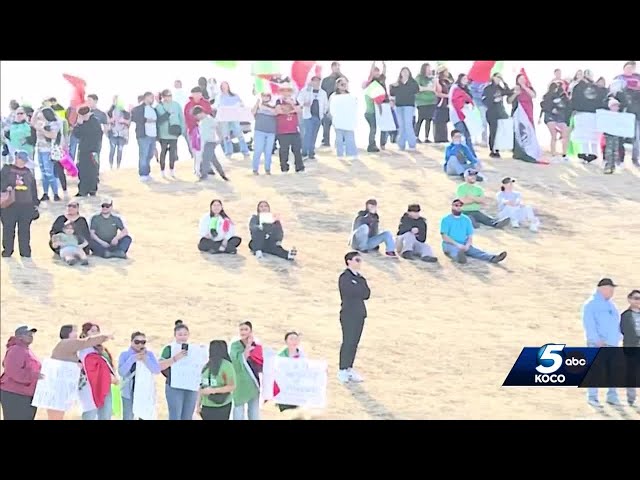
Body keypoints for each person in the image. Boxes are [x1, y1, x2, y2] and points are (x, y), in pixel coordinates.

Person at [48, 324, 112, 420]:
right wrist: (105, 337)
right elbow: (86, 342)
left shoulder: (66, 344)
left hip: (61, 384)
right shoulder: (68, 343)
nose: (76, 334)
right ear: (68, 333)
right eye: (74, 331)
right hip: (61, 385)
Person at [582, 278, 622, 407]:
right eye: (611, 289)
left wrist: (618, 337)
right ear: (603, 288)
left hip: (612, 344)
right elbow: (589, 324)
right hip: (597, 344)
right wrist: (596, 339)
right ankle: (592, 397)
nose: (612, 292)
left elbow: (617, 323)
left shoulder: (611, 305)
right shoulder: (591, 304)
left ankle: (612, 396)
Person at [440, 198, 507, 264]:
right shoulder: (446, 219)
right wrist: (458, 245)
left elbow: (470, 235)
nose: (458, 207)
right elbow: (444, 237)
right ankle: (459, 258)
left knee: (476, 252)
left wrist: (467, 245)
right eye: (456, 205)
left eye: (460, 206)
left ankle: (493, 258)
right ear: (452, 206)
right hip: (450, 244)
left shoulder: (466, 219)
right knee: (454, 251)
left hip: (464, 244)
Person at [338, 251, 370, 383]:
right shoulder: (344, 277)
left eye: (360, 260)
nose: (359, 263)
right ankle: (342, 369)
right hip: (348, 313)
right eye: (357, 260)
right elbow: (349, 292)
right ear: (349, 261)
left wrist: (358, 288)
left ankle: (349, 368)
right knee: (348, 341)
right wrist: (358, 289)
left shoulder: (361, 278)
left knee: (355, 343)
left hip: (360, 313)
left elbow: (366, 294)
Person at [1, 150, 40, 260]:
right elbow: (1, 183)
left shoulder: (28, 172)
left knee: (24, 230)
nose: (23, 163)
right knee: (8, 229)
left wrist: (35, 203)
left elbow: (33, 189)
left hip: (26, 206)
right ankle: (7, 250)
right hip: (9, 205)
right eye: (21, 160)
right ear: (17, 158)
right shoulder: (6, 169)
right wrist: (9, 186)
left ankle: (25, 251)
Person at [117, 331, 162, 420]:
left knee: (144, 416)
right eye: (137, 342)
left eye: (143, 342)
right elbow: (122, 372)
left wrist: (145, 359)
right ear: (131, 341)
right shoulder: (125, 354)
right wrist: (132, 359)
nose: (140, 344)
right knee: (128, 416)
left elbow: (156, 370)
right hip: (128, 391)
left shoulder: (149, 354)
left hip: (144, 392)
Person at [0, 325, 41, 420]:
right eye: (27, 333)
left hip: (24, 394)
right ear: (19, 336)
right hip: (15, 394)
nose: (31, 336)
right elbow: (13, 372)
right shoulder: (16, 349)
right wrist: (34, 376)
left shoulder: (25, 349)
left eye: (32, 334)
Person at [78, 323, 117, 421]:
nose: (96, 333)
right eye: (92, 331)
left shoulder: (103, 350)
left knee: (105, 415)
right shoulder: (84, 349)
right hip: (90, 386)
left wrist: (113, 376)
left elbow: (108, 366)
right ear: (85, 334)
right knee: (90, 414)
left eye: (97, 331)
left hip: (105, 385)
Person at [159, 320, 196, 420]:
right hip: (174, 386)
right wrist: (175, 358)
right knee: (175, 415)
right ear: (175, 335)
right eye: (180, 334)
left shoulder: (194, 349)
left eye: (185, 334)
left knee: (188, 416)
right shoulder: (169, 348)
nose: (183, 337)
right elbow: (160, 366)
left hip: (190, 386)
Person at [230, 321, 262, 420]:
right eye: (241, 329)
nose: (243, 332)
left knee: (254, 410)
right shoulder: (235, 345)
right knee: (238, 408)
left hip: (253, 381)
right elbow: (237, 360)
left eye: (246, 329)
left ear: (251, 331)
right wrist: (247, 346)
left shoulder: (257, 345)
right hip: (240, 381)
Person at [197, 340, 236, 420]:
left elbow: (231, 386)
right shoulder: (206, 366)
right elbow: (201, 387)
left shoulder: (227, 365)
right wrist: (198, 405)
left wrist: (213, 390)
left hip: (222, 405)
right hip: (206, 405)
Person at [31, 107, 62, 202]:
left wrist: (42, 130)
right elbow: (32, 123)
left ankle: (56, 193)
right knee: (43, 173)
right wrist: (35, 112)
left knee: (50, 173)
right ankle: (45, 193)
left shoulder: (54, 123)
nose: (40, 116)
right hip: (40, 150)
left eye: (41, 114)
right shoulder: (40, 123)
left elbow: (52, 135)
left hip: (48, 151)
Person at [214, 82, 250, 159]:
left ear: (228, 87)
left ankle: (245, 150)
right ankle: (228, 152)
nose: (224, 88)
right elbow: (216, 106)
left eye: (225, 86)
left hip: (234, 117)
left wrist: (239, 106)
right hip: (224, 119)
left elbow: (241, 104)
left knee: (239, 133)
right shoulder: (219, 97)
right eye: (222, 86)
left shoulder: (234, 96)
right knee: (226, 135)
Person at [275, 83, 305, 173]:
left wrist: (291, 104)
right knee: (284, 150)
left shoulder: (294, 100)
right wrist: (291, 110)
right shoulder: (278, 101)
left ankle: (299, 167)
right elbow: (278, 111)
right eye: (284, 90)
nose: (286, 92)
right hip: (283, 130)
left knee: (297, 149)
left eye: (288, 90)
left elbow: (299, 110)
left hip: (294, 129)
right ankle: (284, 167)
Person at [155, 89, 186, 178]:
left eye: (170, 96)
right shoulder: (159, 106)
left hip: (174, 133)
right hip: (163, 133)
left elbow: (181, 117)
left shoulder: (176, 105)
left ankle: (172, 170)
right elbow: (157, 121)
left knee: (173, 152)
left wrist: (182, 129)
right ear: (163, 97)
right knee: (163, 152)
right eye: (167, 96)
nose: (168, 98)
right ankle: (162, 170)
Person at [73, 106, 102, 197]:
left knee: (93, 170)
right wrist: (79, 124)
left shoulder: (95, 121)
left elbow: (96, 134)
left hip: (93, 150)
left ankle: (92, 189)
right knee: (82, 169)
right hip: (83, 149)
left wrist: (82, 126)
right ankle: (82, 190)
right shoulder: (81, 122)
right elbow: (76, 134)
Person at [192, 106, 228, 181]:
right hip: (204, 143)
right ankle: (222, 174)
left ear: (201, 113)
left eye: (197, 116)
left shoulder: (210, 119)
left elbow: (217, 127)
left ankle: (204, 175)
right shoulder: (201, 122)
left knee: (205, 158)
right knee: (213, 160)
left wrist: (220, 138)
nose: (197, 118)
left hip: (210, 142)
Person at [298, 76, 328, 159]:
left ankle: (311, 151)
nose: (316, 82)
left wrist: (324, 112)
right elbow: (299, 100)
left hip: (318, 116)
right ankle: (304, 151)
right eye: (314, 81)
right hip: (308, 115)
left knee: (314, 134)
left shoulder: (323, 93)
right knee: (307, 134)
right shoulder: (306, 91)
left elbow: (326, 104)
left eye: (318, 81)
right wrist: (304, 103)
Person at [389, 67, 420, 151]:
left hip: (409, 105)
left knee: (408, 124)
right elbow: (392, 93)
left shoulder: (413, 83)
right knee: (401, 125)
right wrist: (393, 86)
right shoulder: (397, 84)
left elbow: (416, 90)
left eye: (407, 72)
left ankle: (412, 144)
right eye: (403, 72)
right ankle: (401, 145)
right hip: (399, 106)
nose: (405, 73)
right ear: (400, 73)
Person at [482, 73, 512, 158]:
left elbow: (508, 92)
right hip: (491, 112)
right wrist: (493, 100)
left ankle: (497, 148)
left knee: (499, 131)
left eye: (500, 77)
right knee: (493, 131)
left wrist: (504, 82)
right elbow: (484, 100)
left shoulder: (499, 88)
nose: (499, 79)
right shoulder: (488, 88)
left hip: (499, 112)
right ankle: (493, 149)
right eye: (497, 77)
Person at [130, 92, 157, 181]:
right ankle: (142, 173)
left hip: (152, 135)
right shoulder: (139, 109)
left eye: (152, 98)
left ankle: (147, 172)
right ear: (145, 98)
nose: (152, 99)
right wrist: (146, 120)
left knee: (150, 154)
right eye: (150, 97)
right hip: (143, 135)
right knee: (143, 154)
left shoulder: (153, 109)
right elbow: (134, 117)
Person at [539, 82, 570, 161]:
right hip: (550, 116)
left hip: (561, 117)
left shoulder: (564, 97)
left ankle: (564, 153)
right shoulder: (547, 96)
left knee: (565, 135)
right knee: (554, 135)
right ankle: (553, 153)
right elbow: (544, 106)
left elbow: (568, 106)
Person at [329, 77, 358, 159]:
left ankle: (351, 154)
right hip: (338, 121)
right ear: (337, 85)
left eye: (345, 84)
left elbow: (354, 107)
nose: (343, 85)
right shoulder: (334, 96)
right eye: (341, 84)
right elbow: (331, 108)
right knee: (339, 139)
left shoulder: (351, 96)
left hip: (349, 121)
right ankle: (340, 154)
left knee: (350, 138)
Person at [275, 332, 304, 413]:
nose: (294, 341)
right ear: (286, 341)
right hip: (285, 392)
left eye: (296, 339)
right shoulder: (280, 357)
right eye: (291, 339)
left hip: (297, 391)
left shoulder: (302, 355)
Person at [362, 61, 388, 152]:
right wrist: (374, 63)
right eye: (375, 71)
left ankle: (382, 143)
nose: (376, 73)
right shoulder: (370, 82)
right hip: (372, 109)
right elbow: (371, 72)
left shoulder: (381, 80)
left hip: (383, 106)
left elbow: (384, 72)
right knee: (373, 128)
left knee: (383, 126)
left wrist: (384, 64)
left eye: (378, 71)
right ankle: (371, 145)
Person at [448, 73, 477, 157]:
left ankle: (471, 155)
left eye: (466, 79)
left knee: (467, 136)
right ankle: (459, 155)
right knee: (461, 136)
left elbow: (469, 99)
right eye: (464, 78)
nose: (466, 80)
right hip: (457, 116)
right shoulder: (455, 88)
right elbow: (455, 102)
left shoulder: (466, 89)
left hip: (466, 117)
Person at [620, 289, 640, 407]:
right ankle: (631, 399)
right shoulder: (625, 316)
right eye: (636, 298)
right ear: (630, 299)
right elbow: (623, 330)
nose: (638, 301)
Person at [251, 93, 277, 175]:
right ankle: (255, 169)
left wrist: (266, 107)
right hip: (259, 130)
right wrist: (258, 102)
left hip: (271, 131)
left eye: (267, 95)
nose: (265, 97)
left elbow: (275, 112)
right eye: (263, 95)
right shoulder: (258, 104)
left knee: (268, 151)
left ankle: (267, 169)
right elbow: (252, 112)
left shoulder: (274, 104)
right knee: (258, 150)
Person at [321, 61, 343, 146]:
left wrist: (340, 73)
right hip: (328, 104)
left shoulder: (341, 79)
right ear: (332, 67)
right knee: (326, 123)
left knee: (339, 124)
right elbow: (323, 92)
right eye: (335, 67)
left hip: (339, 105)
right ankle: (325, 141)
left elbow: (346, 86)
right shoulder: (326, 80)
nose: (336, 68)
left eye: (338, 67)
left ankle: (340, 141)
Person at [602, 98, 626, 174]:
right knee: (609, 150)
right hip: (608, 135)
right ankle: (608, 165)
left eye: (617, 106)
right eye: (613, 106)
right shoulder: (606, 115)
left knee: (615, 151)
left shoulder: (621, 116)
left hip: (617, 136)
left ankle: (613, 166)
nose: (615, 108)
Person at [106, 98, 131, 169]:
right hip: (113, 133)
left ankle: (118, 166)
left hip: (122, 134)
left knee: (120, 150)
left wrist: (123, 121)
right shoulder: (111, 111)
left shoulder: (125, 113)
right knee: (112, 150)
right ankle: (111, 166)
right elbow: (107, 119)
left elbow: (128, 123)